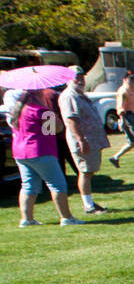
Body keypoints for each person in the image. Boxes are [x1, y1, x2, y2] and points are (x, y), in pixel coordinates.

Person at [7, 88, 84, 227]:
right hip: (40, 151)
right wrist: (54, 117)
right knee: (57, 184)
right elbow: (54, 130)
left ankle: (27, 219)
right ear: (37, 95)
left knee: (28, 186)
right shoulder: (40, 111)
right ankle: (66, 217)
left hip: (20, 152)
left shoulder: (16, 111)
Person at [58, 66, 110, 214]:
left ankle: (90, 202)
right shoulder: (69, 96)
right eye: (76, 77)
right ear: (68, 79)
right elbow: (71, 119)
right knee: (85, 172)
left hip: (91, 139)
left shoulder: (79, 94)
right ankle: (88, 206)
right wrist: (80, 139)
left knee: (89, 171)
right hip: (83, 140)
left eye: (82, 76)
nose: (80, 80)